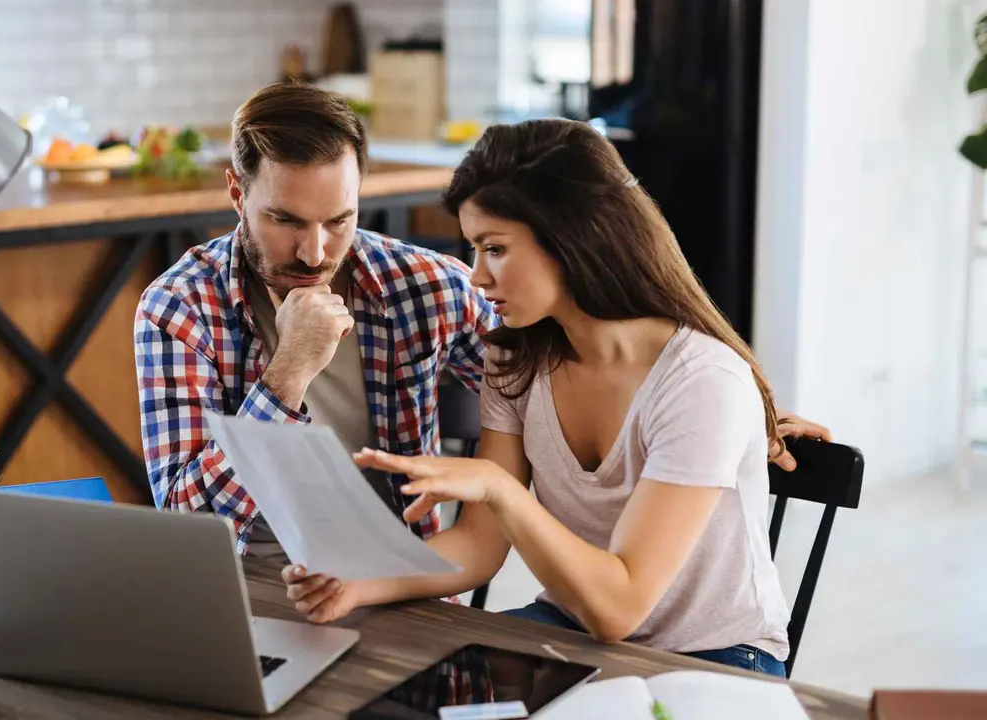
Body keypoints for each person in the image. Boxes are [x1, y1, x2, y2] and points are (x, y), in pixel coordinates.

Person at [281, 118, 832, 678]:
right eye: (474, 249)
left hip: (715, 658)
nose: (476, 277)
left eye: (494, 248)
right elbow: (478, 546)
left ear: (573, 237)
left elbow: (618, 608)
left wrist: (500, 490)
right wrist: (358, 582)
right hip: (570, 629)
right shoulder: (515, 359)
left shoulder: (703, 381)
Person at [134, 81, 496, 559]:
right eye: (286, 221)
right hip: (249, 584)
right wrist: (287, 375)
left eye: (338, 221)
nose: (315, 253)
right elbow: (189, 526)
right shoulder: (180, 307)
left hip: (401, 583)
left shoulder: (428, 285)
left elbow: (542, 403)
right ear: (237, 194)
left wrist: (478, 525)